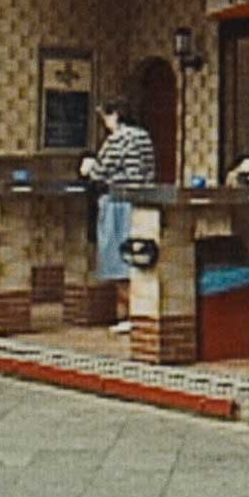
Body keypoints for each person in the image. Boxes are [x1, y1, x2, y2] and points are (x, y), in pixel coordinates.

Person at [80, 98, 156, 333]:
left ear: (115, 116)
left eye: (105, 117)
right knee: (138, 258)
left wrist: (89, 167)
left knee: (118, 260)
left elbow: (100, 173)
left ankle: (126, 315)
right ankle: (143, 312)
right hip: (141, 203)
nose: (104, 123)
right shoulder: (144, 137)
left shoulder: (118, 139)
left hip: (117, 204)